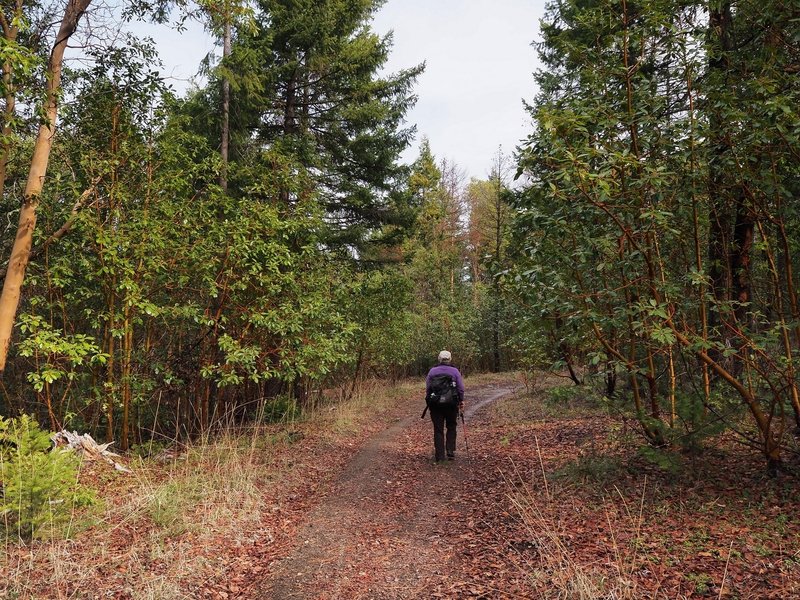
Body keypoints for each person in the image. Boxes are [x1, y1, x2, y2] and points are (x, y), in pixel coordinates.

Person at [425, 350, 465, 462]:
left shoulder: (432, 371)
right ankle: (450, 451)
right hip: (451, 404)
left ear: (439, 359)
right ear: (450, 359)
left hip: (436, 404)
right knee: (451, 426)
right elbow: (460, 388)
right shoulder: (455, 371)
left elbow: (428, 388)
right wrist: (461, 400)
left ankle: (440, 456)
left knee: (438, 429)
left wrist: (429, 400)